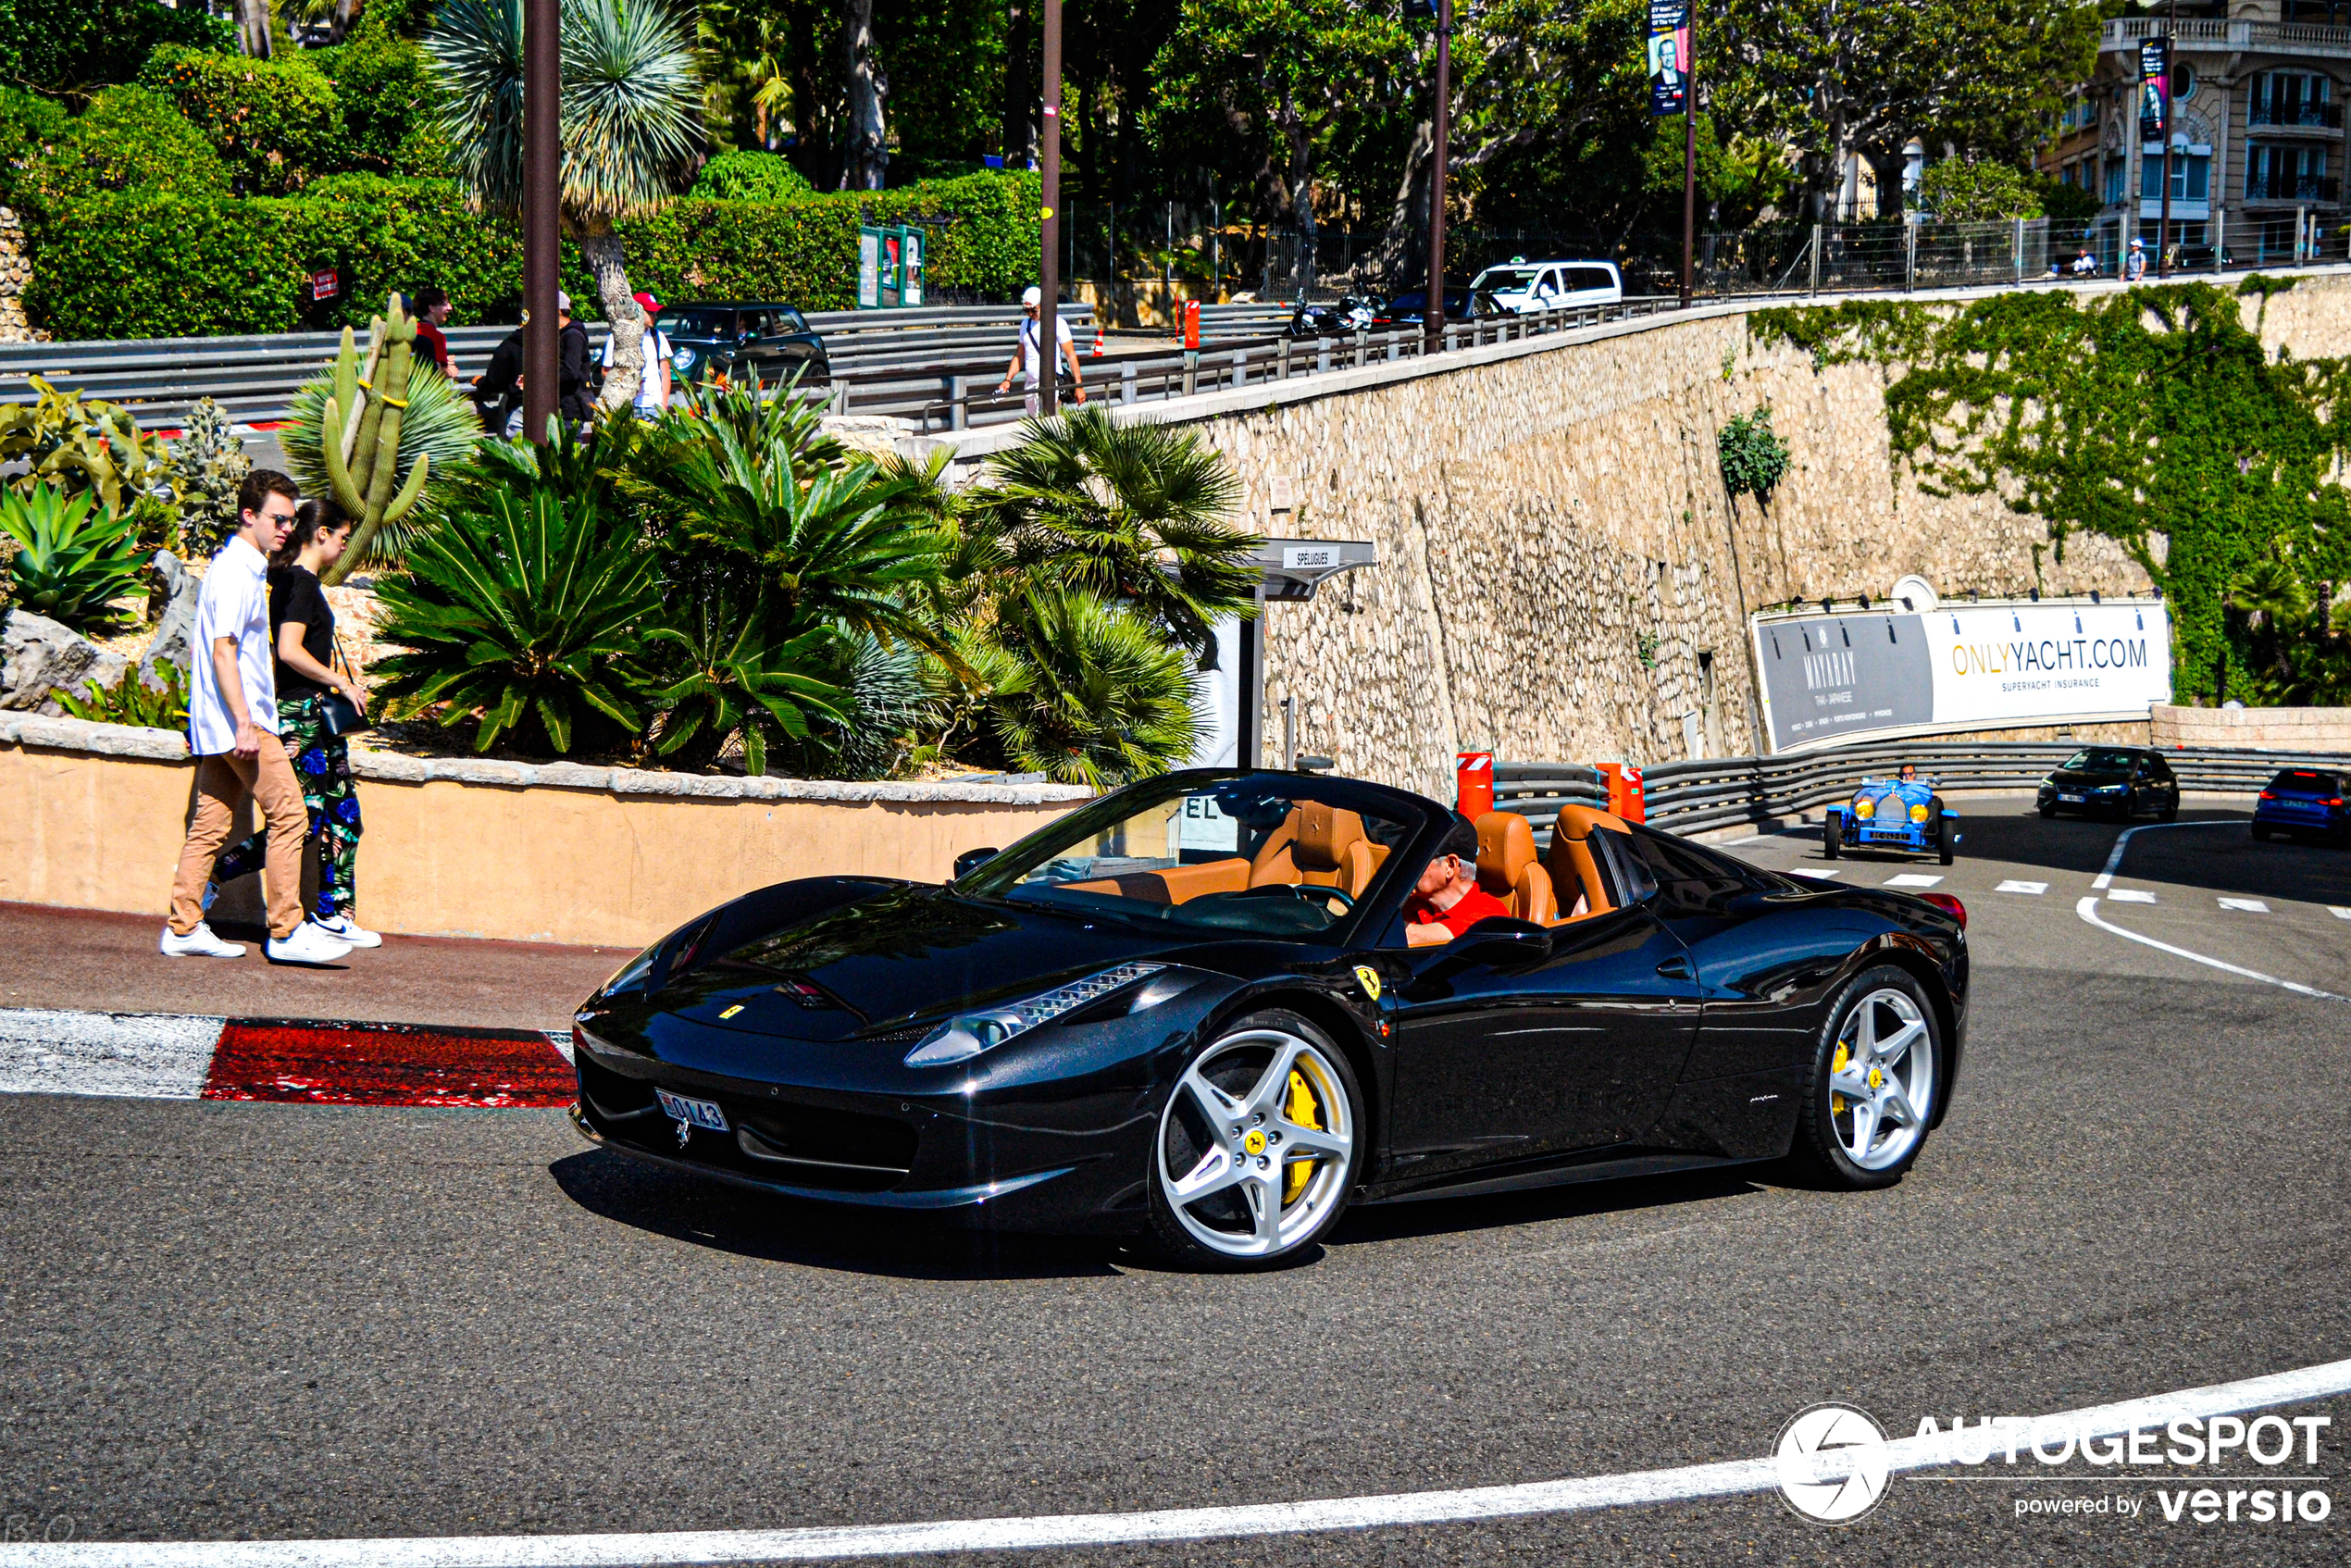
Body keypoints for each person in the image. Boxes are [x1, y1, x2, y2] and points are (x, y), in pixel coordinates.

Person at [162, 472, 354, 965]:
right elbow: (223, 651)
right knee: (291, 814)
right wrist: (245, 723)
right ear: (250, 515)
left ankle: (183, 926)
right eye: (278, 518)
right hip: (240, 725)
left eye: (291, 519)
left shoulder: (249, 570)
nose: (287, 527)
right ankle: (287, 930)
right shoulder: (234, 571)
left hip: (223, 724)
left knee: (210, 825)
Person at [211, 499, 379, 949]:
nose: (345, 546)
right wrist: (340, 682)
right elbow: (289, 650)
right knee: (302, 820)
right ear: (321, 532)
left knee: (345, 818)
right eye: (342, 537)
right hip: (301, 715)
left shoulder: (299, 582)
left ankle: (333, 913)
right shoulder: (298, 584)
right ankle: (215, 874)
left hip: (317, 717)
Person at [1403, 817, 1514, 947]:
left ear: (1450, 866)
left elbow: (1409, 936)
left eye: (1417, 858)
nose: (1407, 865)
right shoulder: (1414, 902)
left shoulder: (1489, 918)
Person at [994, 285, 1085, 415]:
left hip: (1050, 383)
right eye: (1027, 311)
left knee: (1047, 423)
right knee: (1035, 424)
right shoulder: (1025, 324)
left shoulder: (1057, 323)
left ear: (1043, 305)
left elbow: (1071, 356)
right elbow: (1019, 355)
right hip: (1030, 383)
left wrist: (1078, 386)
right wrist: (1008, 380)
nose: (1030, 314)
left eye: (1033, 310)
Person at [601, 290, 672, 418]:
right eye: (650, 312)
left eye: (655, 313)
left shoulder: (658, 337)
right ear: (636, 311)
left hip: (653, 406)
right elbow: (605, 372)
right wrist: (628, 381)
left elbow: (666, 374)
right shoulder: (617, 337)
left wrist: (663, 405)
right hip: (627, 406)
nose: (654, 316)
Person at [474, 317, 524, 436]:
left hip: (518, 405)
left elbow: (495, 381)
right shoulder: (555, 341)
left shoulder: (509, 345)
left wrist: (479, 382)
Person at [556, 292, 594, 426]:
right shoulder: (562, 335)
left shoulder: (573, 336)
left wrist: (544, 383)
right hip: (561, 408)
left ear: (559, 311)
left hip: (571, 410)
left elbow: (571, 372)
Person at [410, 286, 454, 376]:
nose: (450, 308)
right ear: (432, 308)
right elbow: (436, 371)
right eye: (445, 304)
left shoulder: (410, 330)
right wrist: (450, 372)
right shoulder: (437, 337)